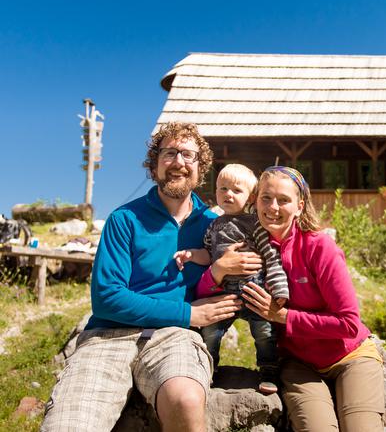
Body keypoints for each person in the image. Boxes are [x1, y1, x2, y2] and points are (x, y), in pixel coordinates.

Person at [41, 122, 262, 432]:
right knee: (68, 425)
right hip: (109, 335)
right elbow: (107, 298)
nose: (179, 162)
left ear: (201, 167)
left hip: (176, 336)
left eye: (188, 154)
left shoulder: (216, 226)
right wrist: (190, 313)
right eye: (169, 153)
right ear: (154, 163)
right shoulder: (124, 219)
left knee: (185, 401)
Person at [203, 166, 385, 431]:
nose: (273, 207)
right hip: (298, 363)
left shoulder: (319, 247)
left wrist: (282, 316)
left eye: (284, 200)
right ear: (255, 200)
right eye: (266, 198)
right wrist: (217, 270)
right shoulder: (245, 245)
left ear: (300, 206)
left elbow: (349, 324)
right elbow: (206, 291)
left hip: (350, 355)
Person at [174, 163, 288, 394]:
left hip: (254, 292)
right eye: (223, 188)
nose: (228, 194)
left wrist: (279, 288)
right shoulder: (213, 225)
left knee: (264, 333)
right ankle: (208, 369)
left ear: (250, 197)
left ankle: (268, 371)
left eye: (236, 191)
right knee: (210, 332)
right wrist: (191, 254)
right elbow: (209, 254)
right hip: (223, 295)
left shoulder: (255, 223)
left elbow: (270, 255)